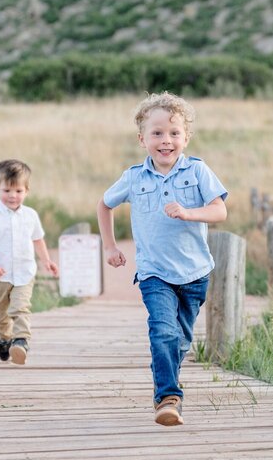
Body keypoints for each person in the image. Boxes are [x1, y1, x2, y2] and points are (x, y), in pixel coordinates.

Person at [97, 92, 228, 426]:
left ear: (186, 137)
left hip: (195, 273)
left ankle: (166, 369)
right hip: (155, 273)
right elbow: (105, 204)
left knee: (180, 341)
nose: (165, 140)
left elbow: (220, 210)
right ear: (142, 139)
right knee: (163, 332)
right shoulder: (134, 177)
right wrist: (110, 246)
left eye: (173, 133)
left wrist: (188, 213)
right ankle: (168, 398)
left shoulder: (197, 171)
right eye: (157, 133)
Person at [0, 159, 58, 365]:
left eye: (18, 191)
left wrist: (46, 260)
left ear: (26, 191)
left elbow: (37, 239)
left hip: (24, 273)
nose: (13, 196)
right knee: (0, 314)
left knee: (20, 308)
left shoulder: (30, 216)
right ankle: (5, 340)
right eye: (7, 190)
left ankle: (21, 341)